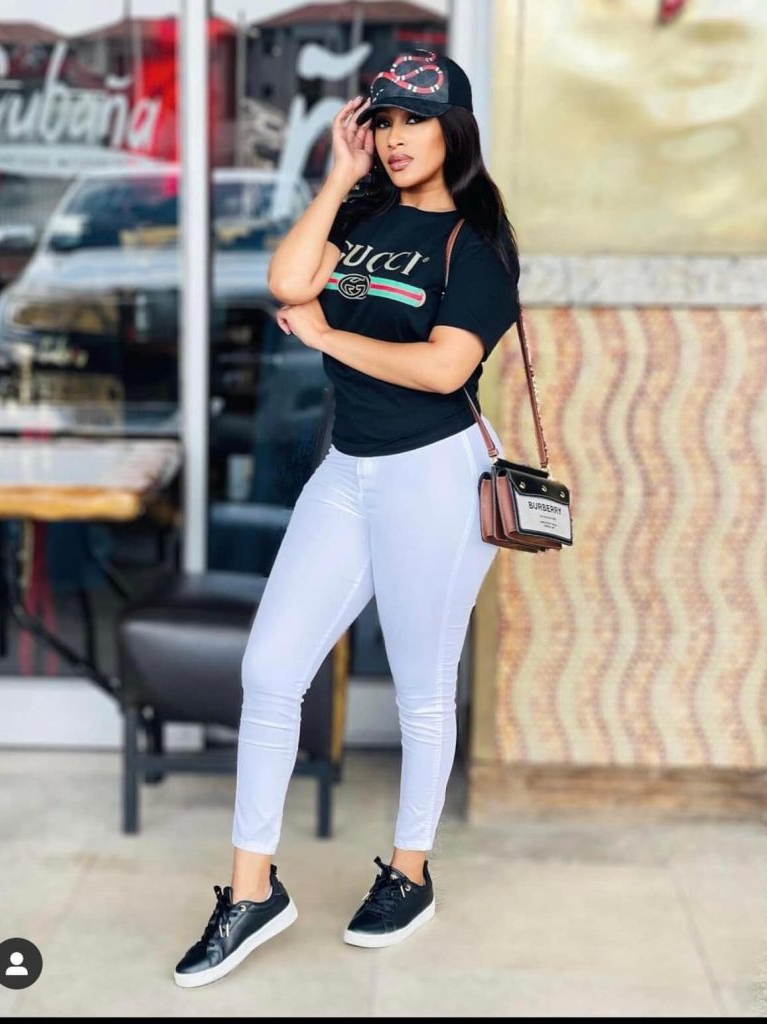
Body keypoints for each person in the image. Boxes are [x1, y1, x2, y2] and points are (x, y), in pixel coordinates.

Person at [174, 48, 521, 989]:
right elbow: (289, 280)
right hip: (349, 471)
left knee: (420, 687)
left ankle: (409, 872)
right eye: (387, 121)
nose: (399, 138)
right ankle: (253, 892)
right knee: (269, 669)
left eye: (417, 120)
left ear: (455, 130)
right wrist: (336, 177)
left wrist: (329, 335)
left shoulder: (477, 245)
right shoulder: (364, 218)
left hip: (435, 478)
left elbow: (445, 368)